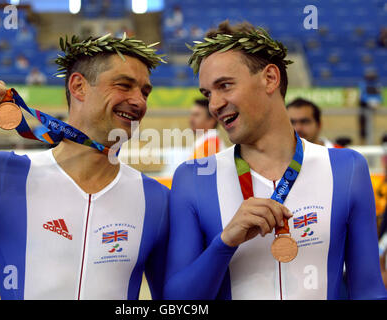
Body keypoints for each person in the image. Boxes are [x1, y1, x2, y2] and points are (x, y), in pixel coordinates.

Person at [164, 21, 387, 299]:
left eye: (225, 86)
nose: (214, 105)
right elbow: (175, 301)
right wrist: (224, 242)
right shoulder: (194, 177)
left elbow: (368, 291)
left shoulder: (347, 168)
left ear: (270, 78)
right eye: (208, 94)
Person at [0, 34, 169, 300]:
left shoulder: (156, 199)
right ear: (79, 86)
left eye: (145, 92)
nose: (139, 102)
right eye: (124, 85)